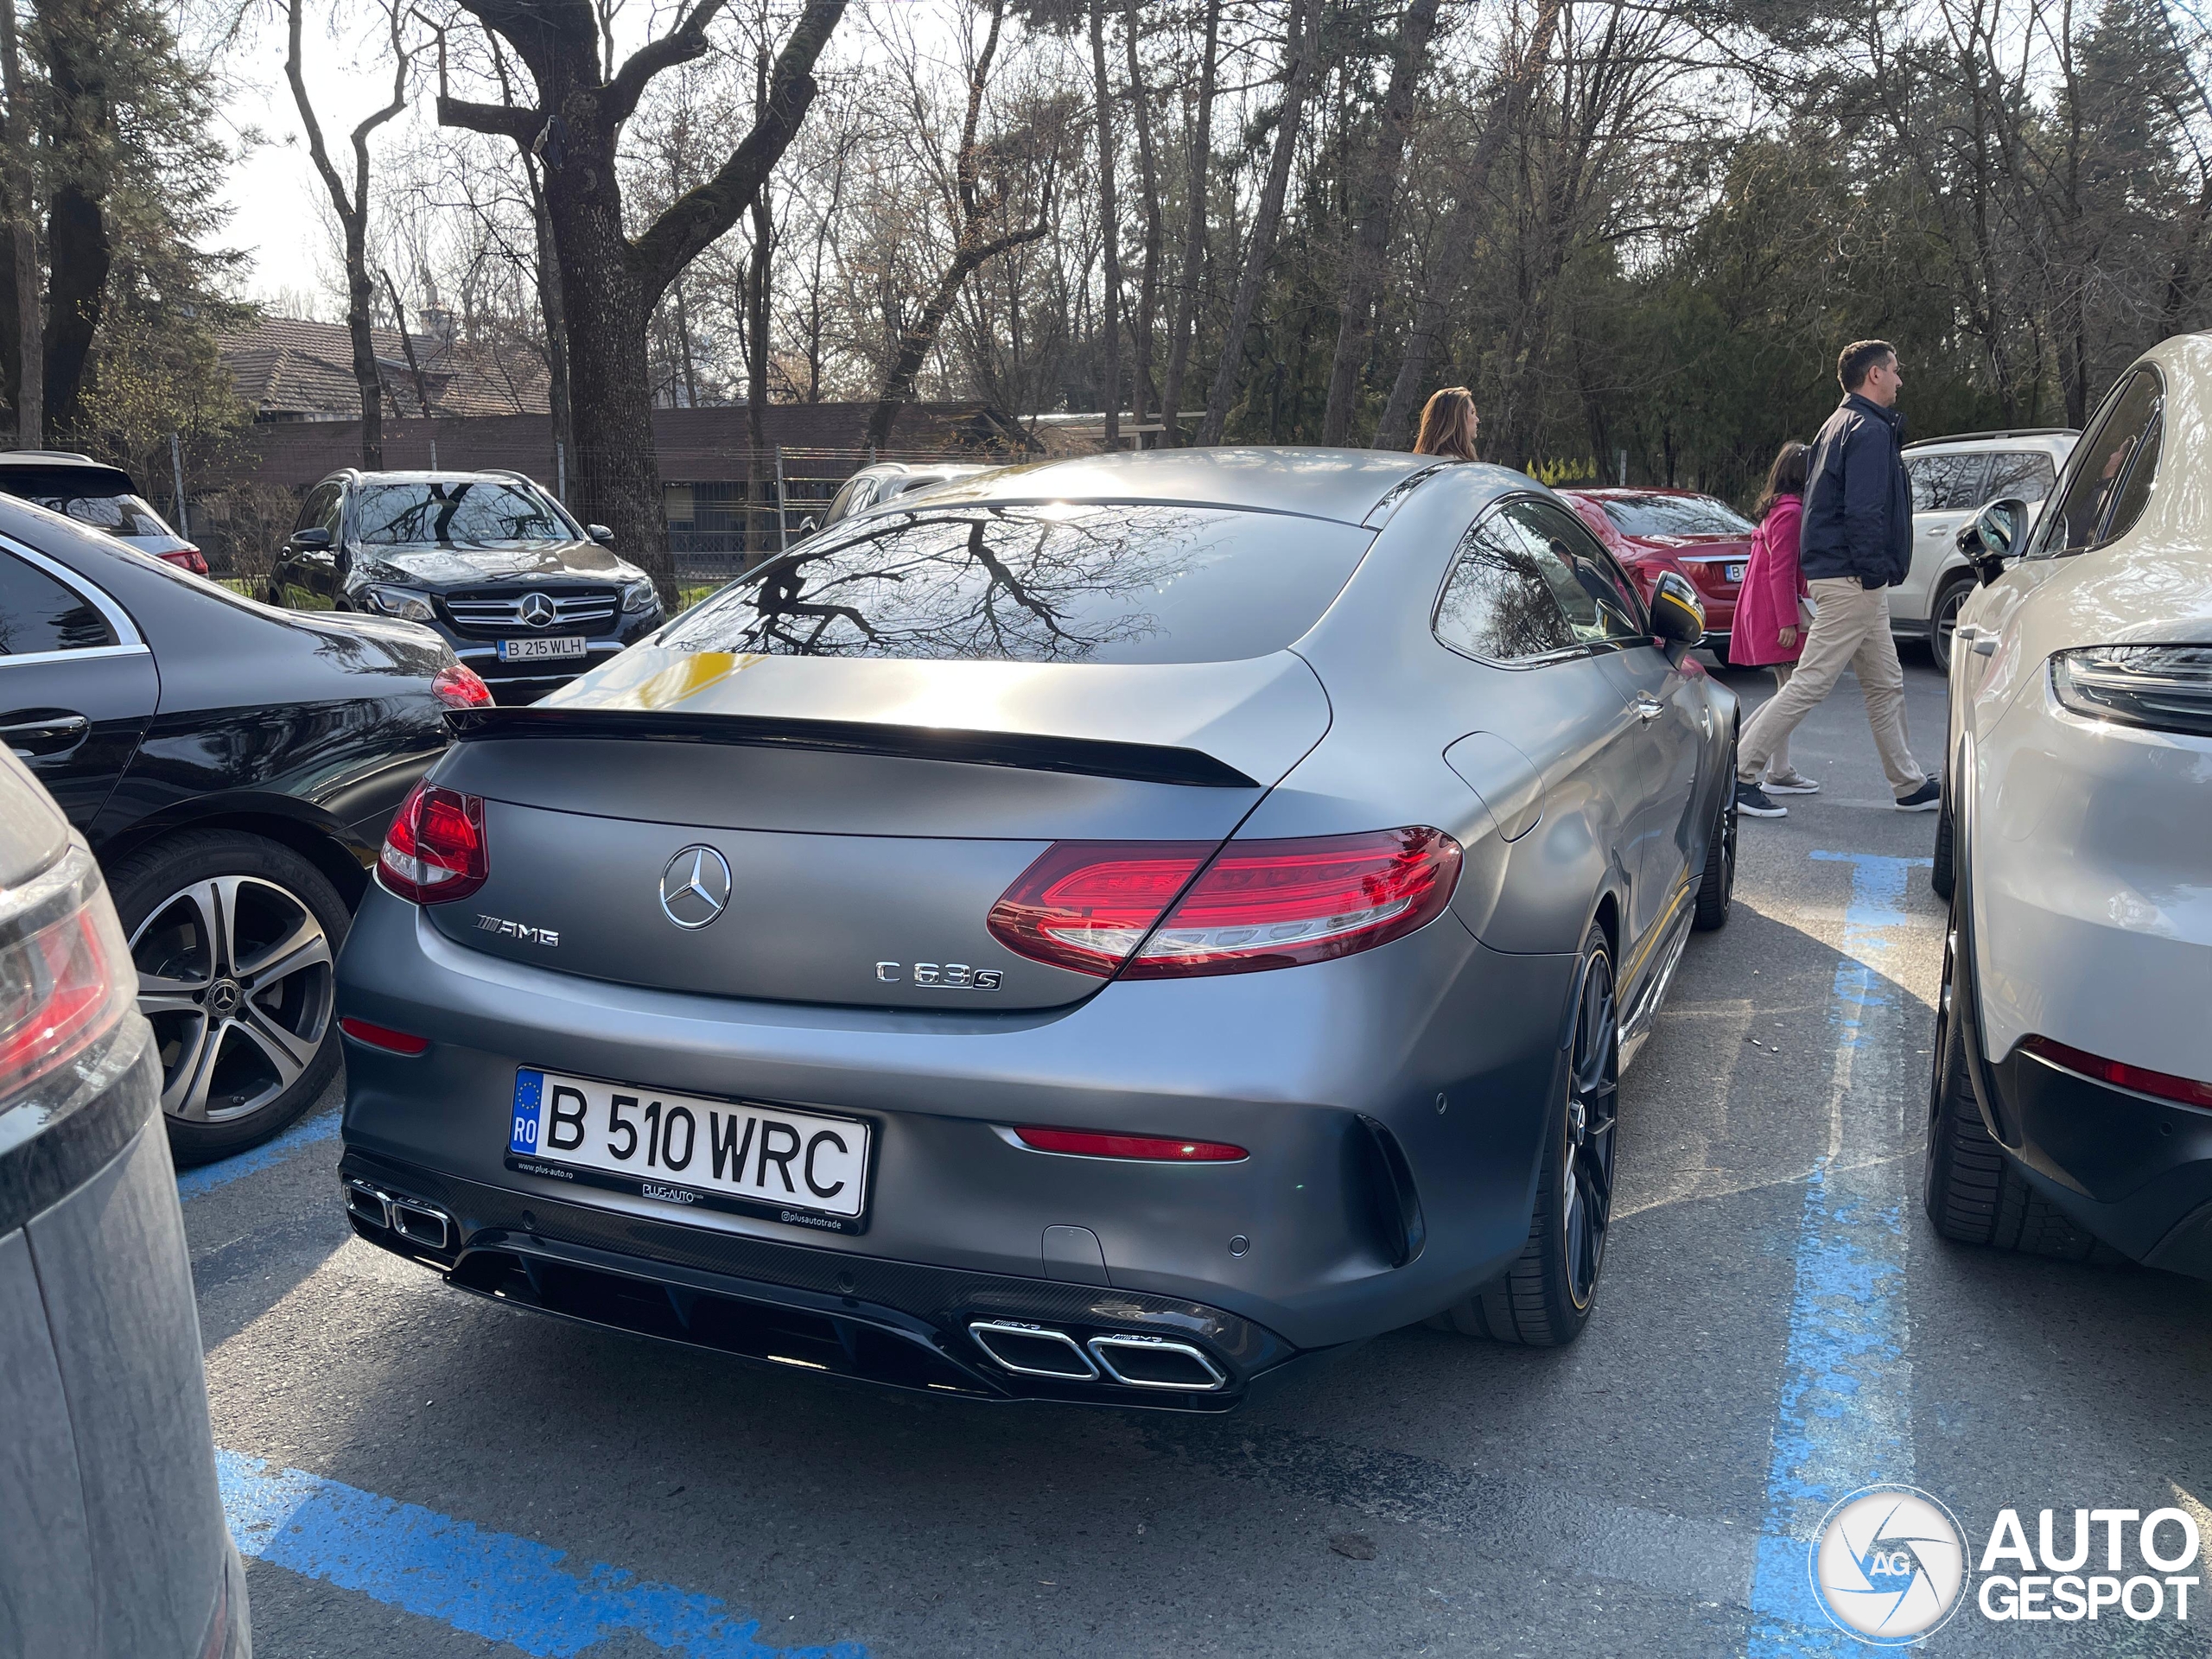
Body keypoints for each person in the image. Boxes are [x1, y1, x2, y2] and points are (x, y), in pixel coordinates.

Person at [1735, 340, 1938, 818]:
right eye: (1895, 370)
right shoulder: (1866, 430)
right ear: (1874, 376)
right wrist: (1871, 574)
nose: (1899, 379)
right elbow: (1864, 511)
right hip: (1853, 580)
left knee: (1885, 682)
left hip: (1852, 578)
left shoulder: (1838, 423)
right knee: (1810, 683)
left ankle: (1907, 784)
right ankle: (1740, 773)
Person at [1728, 440, 1819, 794]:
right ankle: (1738, 755)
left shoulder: (1776, 509)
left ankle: (1778, 769)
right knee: (1791, 695)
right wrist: (1787, 622)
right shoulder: (1793, 513)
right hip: (1777, 615)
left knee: (1786, 690)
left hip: (1764, 610)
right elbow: (1781, 572)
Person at [1413, 387, 1479, 461]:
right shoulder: (1454, 463)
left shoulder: (1426, 460)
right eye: (1472, 413)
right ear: (1457, 419)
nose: (1477, 420)